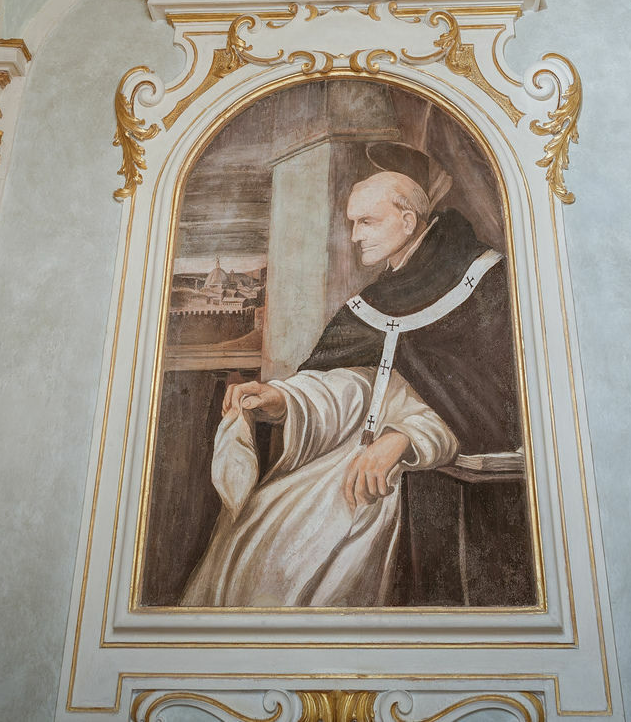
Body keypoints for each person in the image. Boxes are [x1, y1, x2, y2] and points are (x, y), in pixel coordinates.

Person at [182, 146, 519, 607]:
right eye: (351, 222)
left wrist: (404, 438)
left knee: (303, 559)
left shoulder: (485, 283)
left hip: (422, 481)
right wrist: (284, 400)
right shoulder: (376, 299)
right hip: (351, 464)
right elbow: (357, 386)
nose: (354, 236)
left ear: (408, 221)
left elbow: (493, 403)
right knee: (259, 531)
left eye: (367, 222)